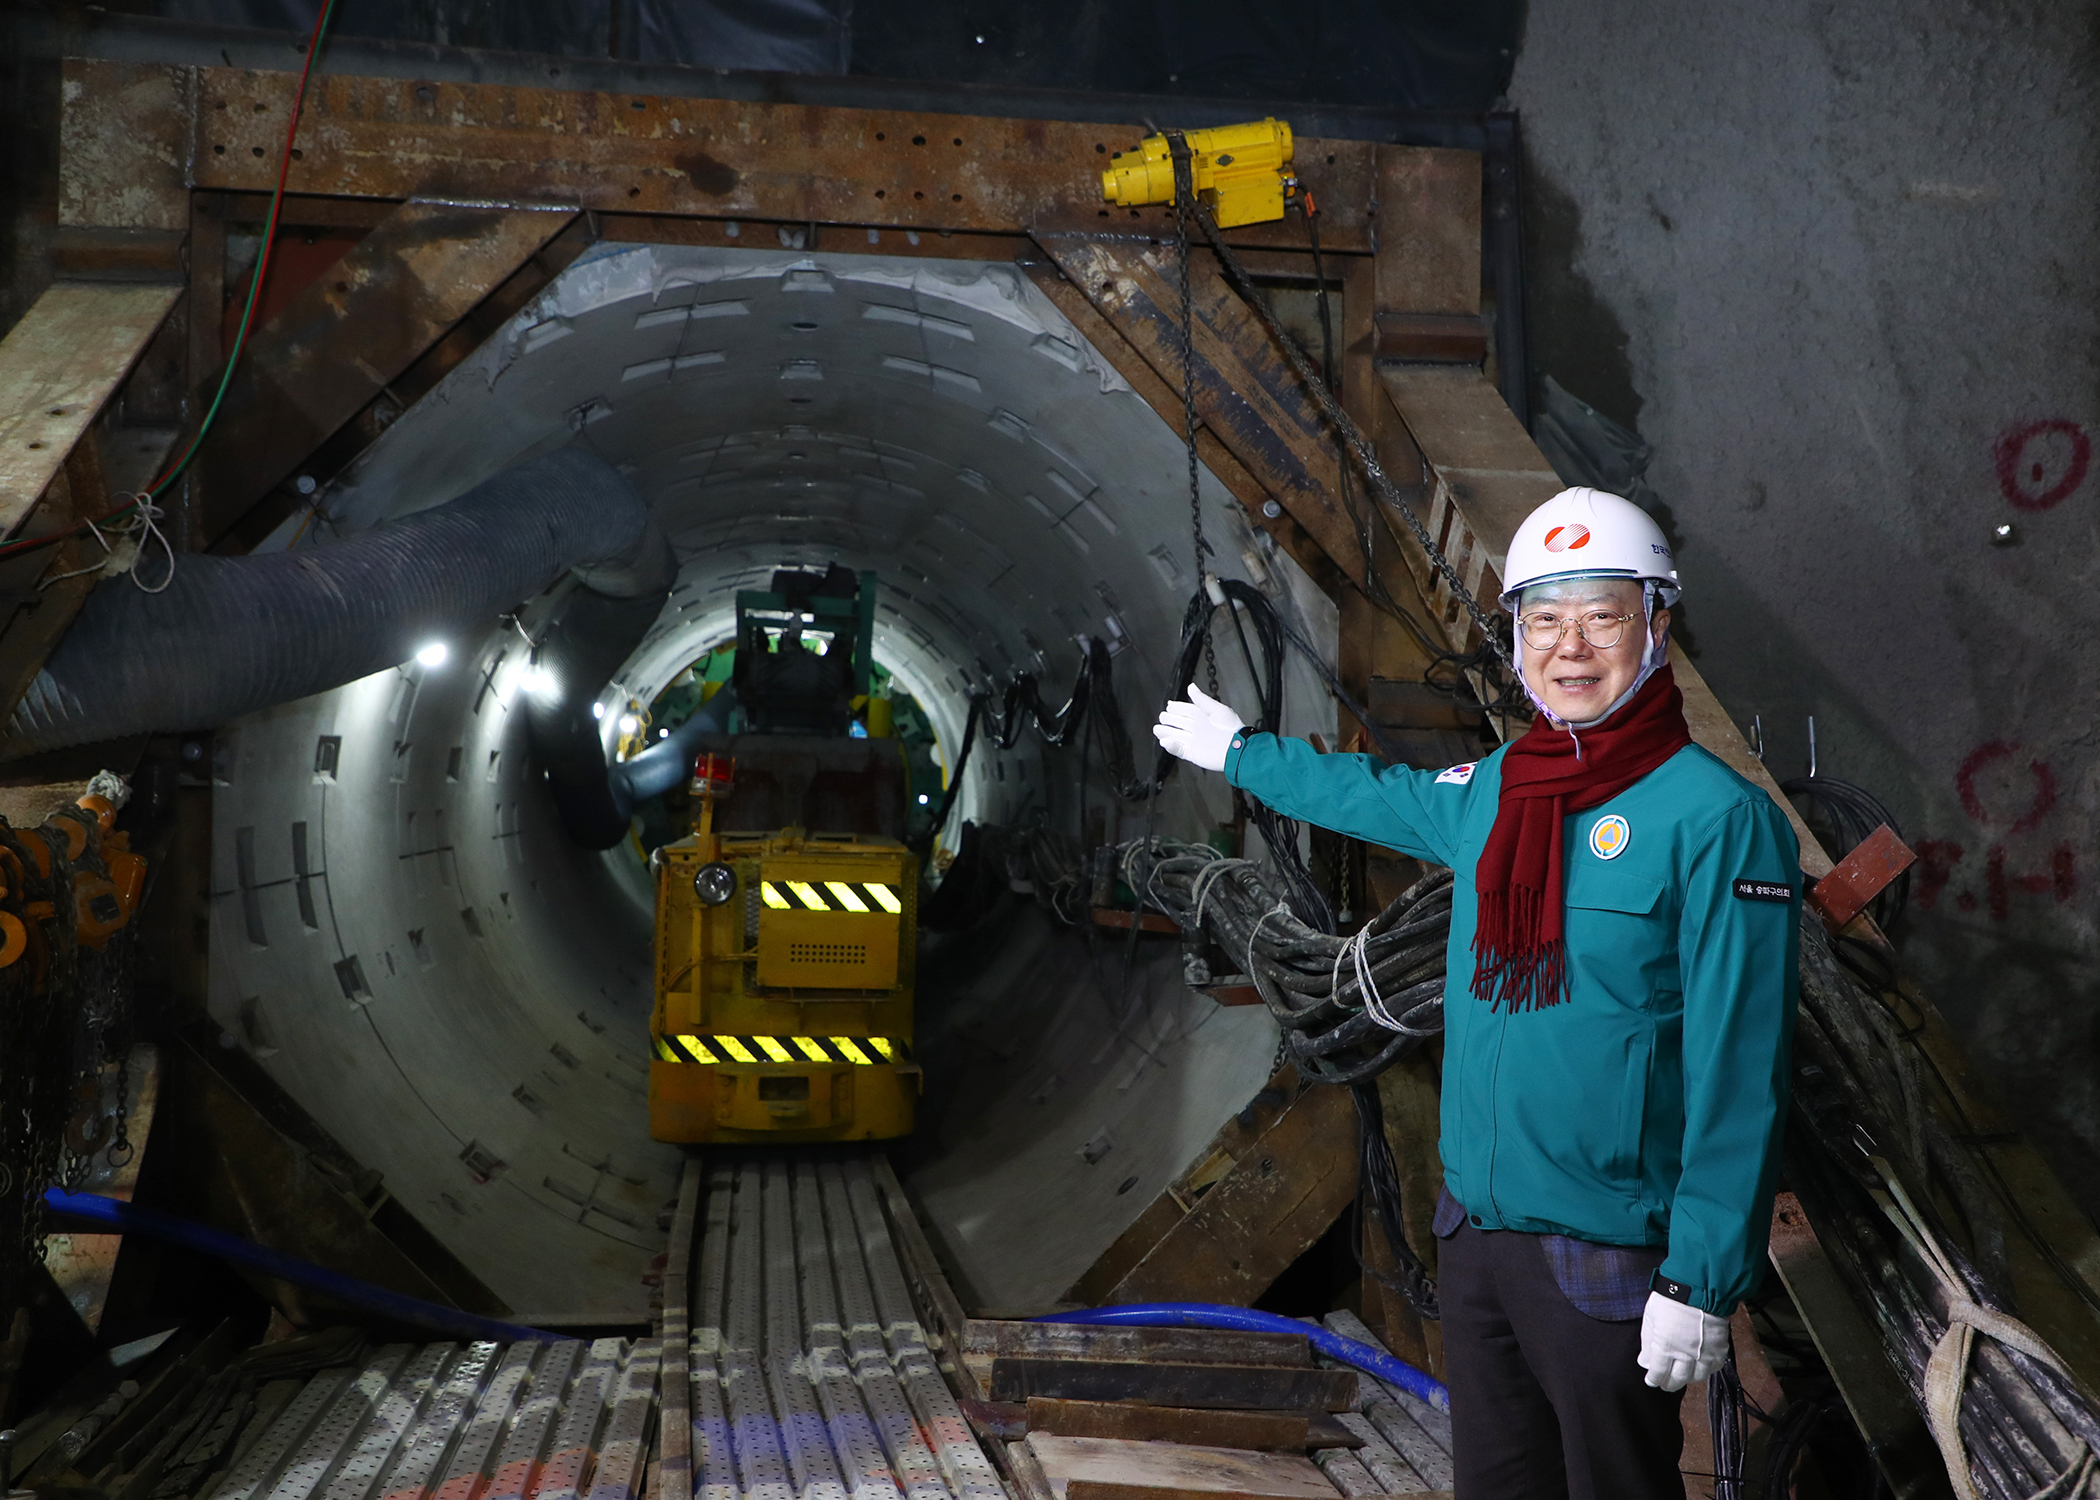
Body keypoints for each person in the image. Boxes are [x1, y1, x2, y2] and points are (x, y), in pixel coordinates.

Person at [1152, 488, 1800, 1500]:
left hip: (1608, 1253)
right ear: (1517, 638)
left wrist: (1703, 1280)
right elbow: (1377, 796)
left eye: (1601, 616)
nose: (1570, 647)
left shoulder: (1715, 821)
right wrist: (1243, 754)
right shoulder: (1505, 788)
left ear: (1657, 625)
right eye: (1544, 619)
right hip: (1481, 1236)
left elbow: (1742, 1068)